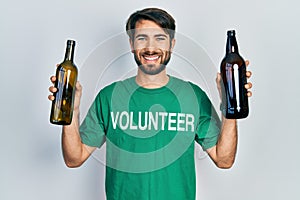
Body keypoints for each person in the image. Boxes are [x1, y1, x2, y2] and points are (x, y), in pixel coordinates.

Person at [48, 7, 253, 200]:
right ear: (131, 44)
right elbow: (74, 159)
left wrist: (229, 107)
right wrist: (71, 112)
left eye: (160, 38)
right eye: (142, 38)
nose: (150, 47)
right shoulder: (109, 96)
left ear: (171, 44)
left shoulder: (193, 96)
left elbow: (223, 160)